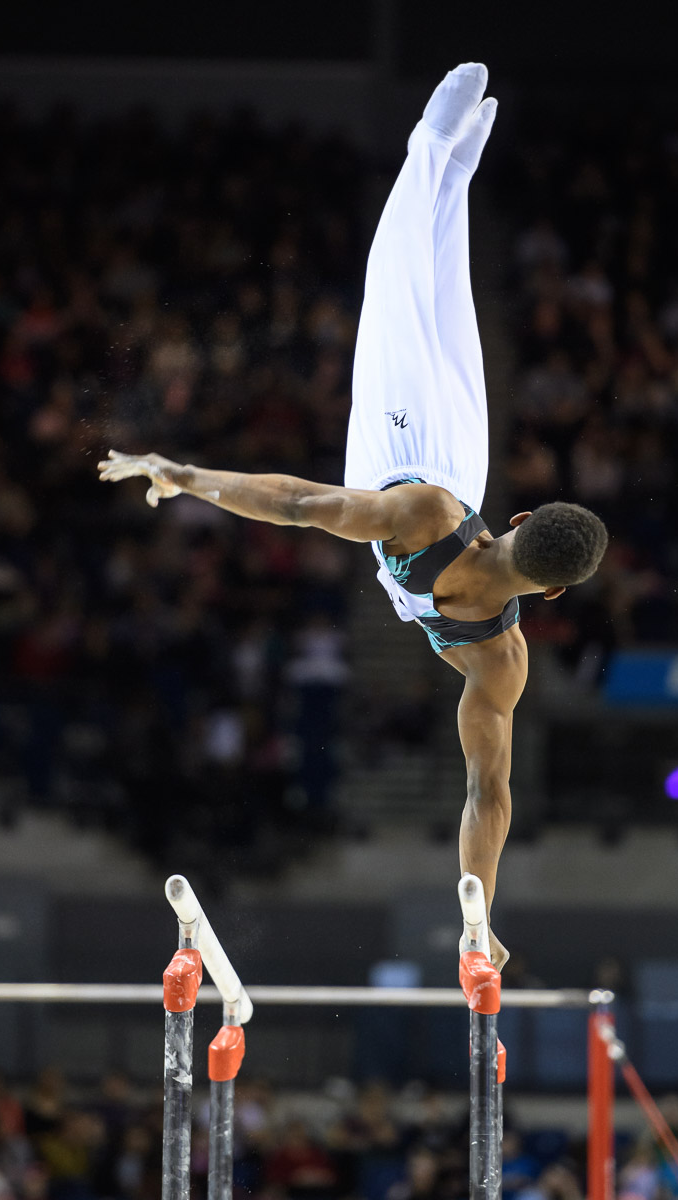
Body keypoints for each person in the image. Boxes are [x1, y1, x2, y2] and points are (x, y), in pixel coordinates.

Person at [98, 64, 608, 970]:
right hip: (408, 456)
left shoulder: (497, 637)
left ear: (525, 521)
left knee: (447, 305)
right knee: (400, 288)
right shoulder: (492, 645)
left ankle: (451, 170)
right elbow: (489, 795)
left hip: (465, 463)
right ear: (557, 592)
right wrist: (181, 474)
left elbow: (491, 799)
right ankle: (429, 150)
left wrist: (474, 919)